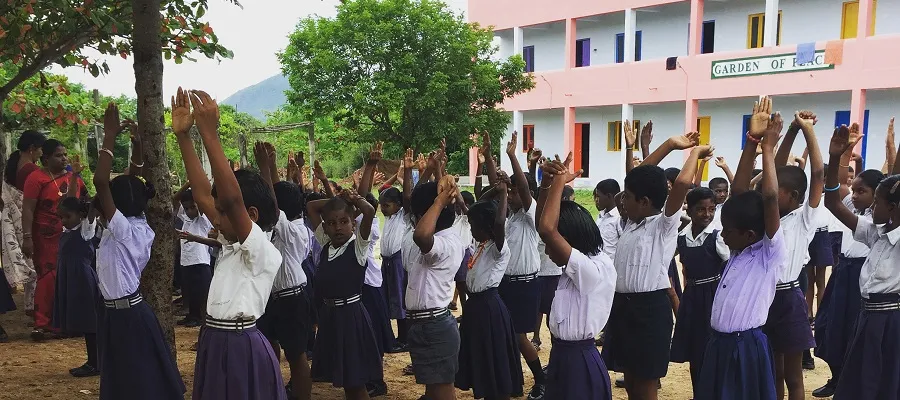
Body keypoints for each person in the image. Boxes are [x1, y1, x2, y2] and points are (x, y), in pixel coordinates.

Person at [172, 89, 285, 400]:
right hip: (215, 339)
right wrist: (184, 137)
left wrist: (210, 134)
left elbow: (232, 199)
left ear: (251, 215)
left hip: (240, 345)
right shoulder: (230, 239)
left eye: (222, 212)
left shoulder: (261, 249)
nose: (215, 218)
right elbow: (202, 196)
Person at [601, 129, 705, 400]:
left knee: (646, 384)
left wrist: (693, 153)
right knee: (630, 380)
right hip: (623, 307)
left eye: (627, 197)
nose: (622, 200)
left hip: (649, 311)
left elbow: (681, 184)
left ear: (645, 202)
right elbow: (636, 177)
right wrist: (669, 144)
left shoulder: (663, 225)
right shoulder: (630, 223)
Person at [93, 103, 185, 399]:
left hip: (127, 315)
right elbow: (132, 183)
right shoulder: (138, 221)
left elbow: (100, 182)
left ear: (115, 206)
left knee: (136, 383)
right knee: (130, 382)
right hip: (123, 313)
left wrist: (109, 136)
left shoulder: (123, 229)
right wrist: (137, 147)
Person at [696, 96, 782, 400]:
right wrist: (752, 141)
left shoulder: (768, 253)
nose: (723, 235)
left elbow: (770, 198)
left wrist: (768, 149)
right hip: (719, 344)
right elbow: (741, 191)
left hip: (744, 347)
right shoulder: (738, 249)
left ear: (749, 234)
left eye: (728, 231)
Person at [825, 124, 900, 399]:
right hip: (866, 316)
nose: (871, 207)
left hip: (890, 322)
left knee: (883, 384)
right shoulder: (874, 232)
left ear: (892, 208)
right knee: (859, 383)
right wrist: (835, 158)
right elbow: (833, 204)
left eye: (876, 202)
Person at [537, 155, 616, 400]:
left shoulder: (591, 268)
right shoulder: (580, 262)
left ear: (567, 240)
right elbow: (544, 227)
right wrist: (547, 185)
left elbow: (547, 229)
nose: (548, 251)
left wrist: (560, 181)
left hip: (578, 361)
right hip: (563, 356)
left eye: (552, 244)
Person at [762, 110, 824, 400]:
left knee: (793, 375)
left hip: (789, 298)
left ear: (796, 197)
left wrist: (806, 128)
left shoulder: (804, 218)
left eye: (779, 192)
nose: (771, 193)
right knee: (773, 369)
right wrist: (789, 132)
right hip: (765, 296)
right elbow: (773, 169)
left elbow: (818, 174)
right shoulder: (769, 215)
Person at [307, 189, 383, 400]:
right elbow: (311, 207)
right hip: (331, 318)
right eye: (331, 223)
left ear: (353, 224)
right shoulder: (326, 244)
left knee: (355, 382)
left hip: (351, 318)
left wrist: (353, 199)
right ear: (325, 227)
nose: (338, 227)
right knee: (347, 383)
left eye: (343, 221)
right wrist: (338, 199)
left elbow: (369, 211)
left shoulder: (357, 246)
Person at [253, 143, 315, 400]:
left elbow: (275, 203)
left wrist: (264, 169)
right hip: (274, 298)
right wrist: (272, 166)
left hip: (292, 298)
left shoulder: (295, 229)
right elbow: (279, 198)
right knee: (270, 347)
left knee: (296, 355)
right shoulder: (283, 224)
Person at [812, 167, 881, 397]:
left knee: (852, 328)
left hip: (861, 274)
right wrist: (839, 155)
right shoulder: (851, 206)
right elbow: (837, 186)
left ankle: (850, 381)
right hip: (843, 269)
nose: (854, 195)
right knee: (829, 325)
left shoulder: (883, 220)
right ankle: (836, 376)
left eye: (862, 191)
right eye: (854, 190)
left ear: (877, 194)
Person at [401, 147, 464, 400]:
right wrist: (434, 172)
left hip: (435, 326)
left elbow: (422, 235)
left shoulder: (447, 242)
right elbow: (414, 203)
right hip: (424, 324)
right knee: (433, 390)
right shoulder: (439, 234)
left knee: (441, 391)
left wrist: (438, 201)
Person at [455, 176, 524, 400]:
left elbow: (499, 223)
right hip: (476, 308)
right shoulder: (481, 243)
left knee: (494, 361)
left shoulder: (498, 249)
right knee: (482, 360)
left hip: (488, 308)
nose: (471, 228)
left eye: (474, 225)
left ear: (486, 226)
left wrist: (503, 194)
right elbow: (478, 206)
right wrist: (495, 189)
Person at [493, 132, 545, 400]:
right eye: (509, 191)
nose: (511, 195)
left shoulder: (529, 214)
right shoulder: (511, 216)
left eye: (513, 191)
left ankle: (540, 380)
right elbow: (494, 191)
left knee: (519, 337)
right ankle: (515, 380)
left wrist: (513, 156)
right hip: (506, 284)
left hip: (525, 284)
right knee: (507, 336)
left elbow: (524, 189)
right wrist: (492, 166)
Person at [22, 138, 88, 340]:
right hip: (45, 236)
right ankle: (43, 323)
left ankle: (66, 323)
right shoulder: (36, 178)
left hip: (70, 235)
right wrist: (27, 237)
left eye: (65, 155)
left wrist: (74, 175)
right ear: (46, 158)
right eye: (59, 156)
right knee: (48, 277)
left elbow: (75, 203)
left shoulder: (72, 177)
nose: (64, 158)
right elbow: (28, 209)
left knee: (68, 276)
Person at [669, 187, 730, 396]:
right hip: (692, 298)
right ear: (689, 210)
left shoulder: (717, 237)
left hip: (713, 297)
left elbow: (730, 266)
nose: (707, 214)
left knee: (711, 349)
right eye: (701, 209)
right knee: (695, 350)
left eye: (711, 209)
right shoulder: (682, 237)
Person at [53, 156, 101, 377]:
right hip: (70, 278)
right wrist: (74, 176)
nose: (63, 221)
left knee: (91, 322)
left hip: (82, 279)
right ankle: (93, 361)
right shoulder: (69, 229)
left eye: (66, 217)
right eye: (61, 217)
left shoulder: (85, 229)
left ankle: (95, 363)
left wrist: (99, 185)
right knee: (85, 322)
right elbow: (70, 200)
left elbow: (87, 208)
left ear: (81, 215)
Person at [355, 144, 394, 397]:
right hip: (365, 287)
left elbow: (362, 200)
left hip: (369, 286)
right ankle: (370, 378)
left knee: (373, 337)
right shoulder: (361, 225)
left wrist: (369, 167)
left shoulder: (366, 226)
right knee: (366, 336)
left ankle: (377, 380)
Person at [2, 130, 46, 321]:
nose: (42, 154)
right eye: (41, 149)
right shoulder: (32, 171)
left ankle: (32, 307)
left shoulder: (13, 166)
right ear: (32, 148)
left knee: (31, 266)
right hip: (29, 221)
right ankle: (37, 310)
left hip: (16, 221)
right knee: (38, 266)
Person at [173, 188, 215, 327]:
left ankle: (200, 319)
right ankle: (192, 315)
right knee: (189, 291)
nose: (189, 211)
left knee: (200, 293)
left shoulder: (203, 219)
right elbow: (175, 199)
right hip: (186, 262)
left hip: (200, 262)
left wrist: (194, 185)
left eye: (193, 207)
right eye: (186, 208)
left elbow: (202, 201)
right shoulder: (185, 218)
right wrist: (187, 185)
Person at [378, 185, 409, 347]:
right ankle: (398, 336)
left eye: (386, 205)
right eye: (381, 205)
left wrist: (406, 175)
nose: (382, 209)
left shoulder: (403, 215)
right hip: (387, 262)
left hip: (398, 261)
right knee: (389, 297)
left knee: (400, 297)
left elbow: (408, 195)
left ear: (398, 204)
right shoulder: (389, 218)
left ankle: (404, 337)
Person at [450, 191, 475, 317]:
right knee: (459, 285)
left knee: (463, 284)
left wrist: (456, 191)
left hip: (464, 254)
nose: (457, 207)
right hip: (453, 254)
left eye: (459, 205)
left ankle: (468, 311)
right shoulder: (455, 217)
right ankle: (465, 312)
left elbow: (464, 207)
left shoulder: (467, 219)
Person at [594, 179, 623, 258]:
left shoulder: (619, 218)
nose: (596, 200)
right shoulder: (601, 215)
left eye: (598, 196)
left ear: (609, 196)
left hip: (611, 263)